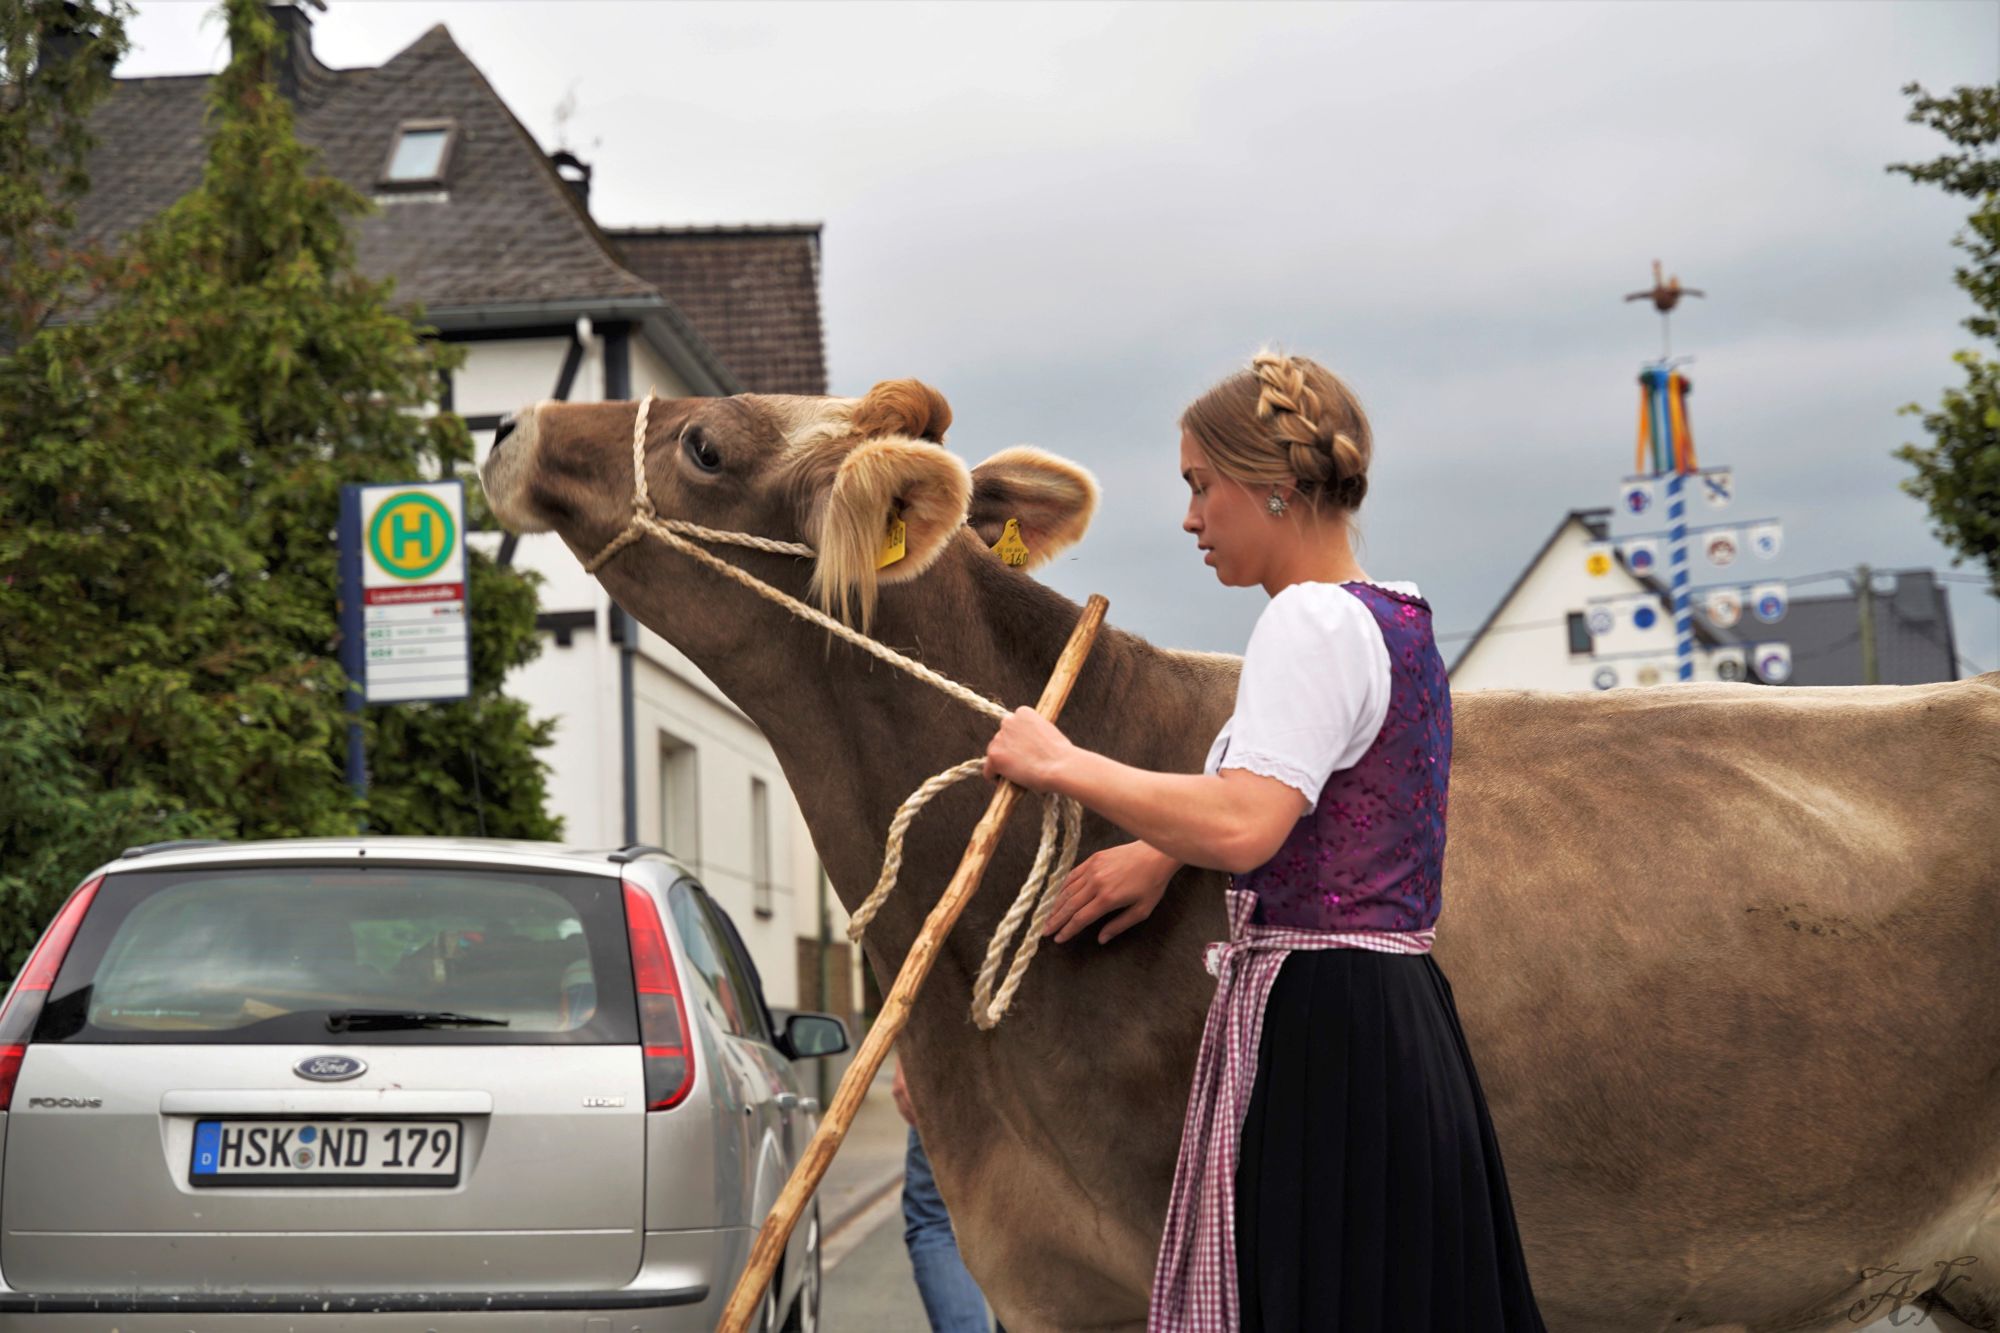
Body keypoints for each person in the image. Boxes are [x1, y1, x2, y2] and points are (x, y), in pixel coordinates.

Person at [983, 349, 1548, 1330]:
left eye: (1201, 485)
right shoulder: (1394, 618)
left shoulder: (1307, 623)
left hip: (1328, 1028)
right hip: (1397, 1012)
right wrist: (1164, 850)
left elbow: (1248, 822)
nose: (1190, 517)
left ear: (1274, 485)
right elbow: (1304, 784)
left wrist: (1060, 762)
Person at [894, 1058, 1003, 1333]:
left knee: (937, 1221)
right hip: (1049, 1064)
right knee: (1036, 1227)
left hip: (949, 1060)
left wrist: (908, 1059)